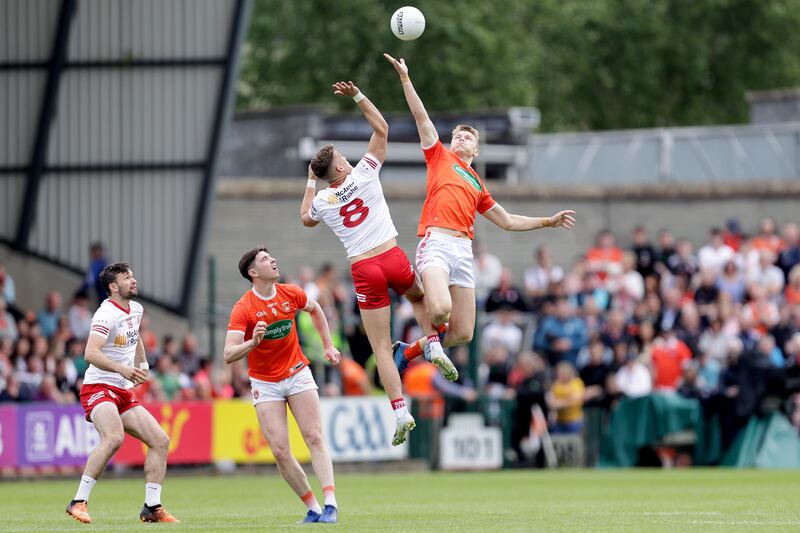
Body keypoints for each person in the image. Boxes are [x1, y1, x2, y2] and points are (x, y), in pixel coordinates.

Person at [385, 53, 576, 362]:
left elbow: (508, 220)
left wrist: (548, 221)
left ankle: (408, 351)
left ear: (476, 150)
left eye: (467, 137)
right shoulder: (439, 157)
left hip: (463, 251)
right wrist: (406, 79)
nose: (461, 139)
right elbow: (421, 117)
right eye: (457, 136)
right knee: (441, 309)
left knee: (463, 333)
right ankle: (424, 319)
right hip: (436, 243)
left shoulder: (478, 184)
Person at [301, 80, 451, 446]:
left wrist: (310, 182)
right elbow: (381, 128)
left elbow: (305, 218)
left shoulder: (323, 200)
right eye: (343, 157)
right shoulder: (364, 172)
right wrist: (357, 96)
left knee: (381, 346)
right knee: (418, 297)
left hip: (364, 269)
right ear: (340, 165)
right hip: (391, 255)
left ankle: (399, 411)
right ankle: (432, 342)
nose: (347, 159)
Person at [223, 247, 341, 524]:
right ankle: (313, 508)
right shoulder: (244, 308)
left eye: (271, 256)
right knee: (279, 451)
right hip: (265, 383)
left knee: (314, 436)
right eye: (265, 259)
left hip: (297, 372)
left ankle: (330, 505)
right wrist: (252, 343)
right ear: (253, 272)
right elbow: (228, 354)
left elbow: (315, 309)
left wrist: (327, 345)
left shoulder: (290, 292)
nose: (273, 260)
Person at [66, 262, 178, 524]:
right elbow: (90, 353)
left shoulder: (135, 309)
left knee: (160, 441)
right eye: (127, 278)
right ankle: (78, 501)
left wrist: (143, 363)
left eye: (132, 276)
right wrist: (122, 369)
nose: (133, 280)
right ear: (113, 287)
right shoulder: (105, 315)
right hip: (98, 387)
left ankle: (152, 507)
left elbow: (134, 335)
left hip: (122, 389)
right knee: (114, 437)